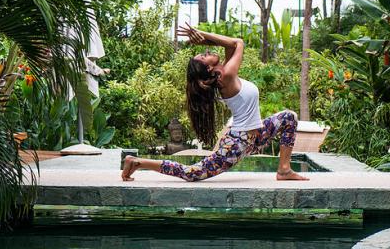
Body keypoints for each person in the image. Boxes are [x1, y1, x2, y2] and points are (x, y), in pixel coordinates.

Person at [121, 24, 308, 182]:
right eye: (203, 56)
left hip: (256, 135)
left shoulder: (223, 73)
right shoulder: (226, 76)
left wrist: (204, 38)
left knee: (288, 117)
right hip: (238, 142)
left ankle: (284, 169)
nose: (206, 51)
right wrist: (203, 36)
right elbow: (238, 43)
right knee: (192, 173)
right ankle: (138, 162)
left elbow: (230, 44)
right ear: (208, 68)